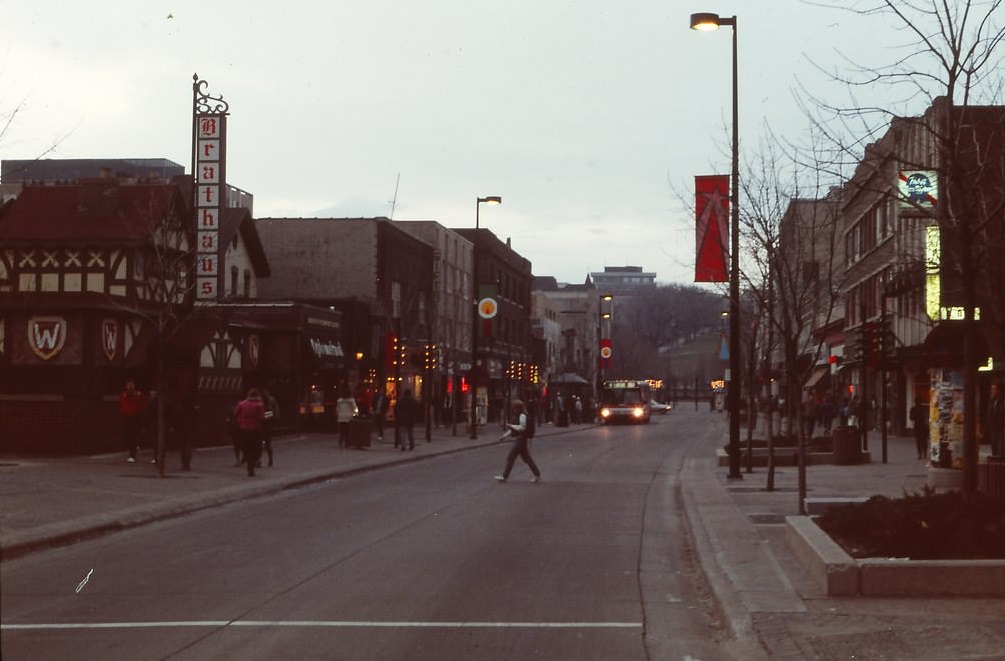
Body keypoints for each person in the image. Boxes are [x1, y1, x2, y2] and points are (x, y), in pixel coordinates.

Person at [494, 399, 541, 483]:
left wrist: (512, 426)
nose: (512, 409)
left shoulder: (522, 416)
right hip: (520, 439)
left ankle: (504, 476)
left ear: (517, 408)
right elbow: (512, 429)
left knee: (511, 457)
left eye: (513, 407)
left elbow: (522, 428)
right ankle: (537, 474)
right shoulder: (518, 415)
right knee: (527, 458)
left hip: (520, 439)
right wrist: (504, 436)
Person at [233, 388, 266, 476]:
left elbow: (235, 413)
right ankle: (252, 465)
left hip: (243, 428)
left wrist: (241, 421)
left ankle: (248, 464)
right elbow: (261, 417)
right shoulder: (259, 405)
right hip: (255, 429)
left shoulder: (242, 403)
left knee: (246, 447)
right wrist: (269, 416)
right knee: (256, 447)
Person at [117, 379, 148, 463]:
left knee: (133, 435)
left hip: (136, 416)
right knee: (127, 435)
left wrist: (140, 415)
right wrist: (122, 411)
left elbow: (143, 405)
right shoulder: (123, 396)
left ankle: (132, 454)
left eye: (131, 385)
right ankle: (133, 448)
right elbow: (120, 405)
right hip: (126, 416)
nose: (130, 387)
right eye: (128, 385)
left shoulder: (139, 395)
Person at [986, 382, 1004, 458]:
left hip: (1001, 427)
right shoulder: (992, 400)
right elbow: (990, 413)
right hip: (993, 427)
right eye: (992, 389)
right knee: (994, 444)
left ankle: (999, 460)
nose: (992, 391)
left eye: (994, 389)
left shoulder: (1002, 401)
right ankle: (995, 458)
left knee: (1000, 445)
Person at [261, 388, 279, 467]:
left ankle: (262, 460)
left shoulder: (267, 404)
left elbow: (271, 413)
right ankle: (269, 459)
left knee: (263, 442)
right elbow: (274, 412)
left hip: (264, 424)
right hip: (267, 424)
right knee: (267, 442)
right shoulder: (271, 401)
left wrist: (262, 417)